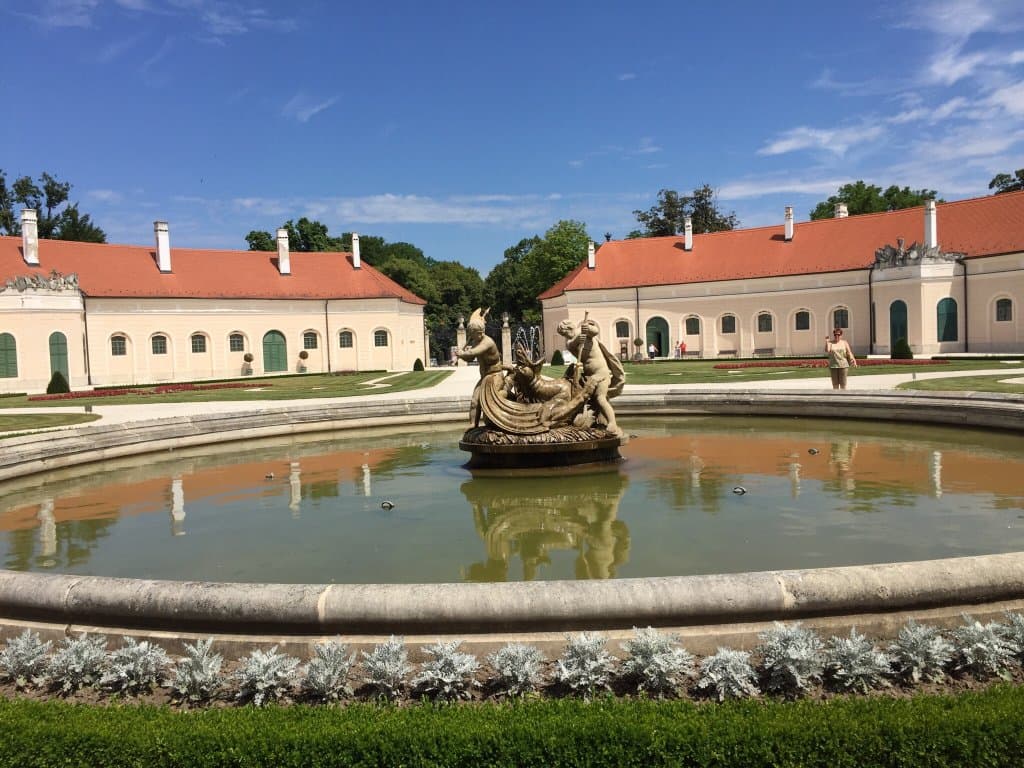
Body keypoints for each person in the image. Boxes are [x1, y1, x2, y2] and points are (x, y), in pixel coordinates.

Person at [557, 317, 625, 436]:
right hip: (588, 376)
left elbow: (595, 331)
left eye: (565, 333)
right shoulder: (570, 342)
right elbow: (572, 345)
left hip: (601, 373)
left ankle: (612, 423)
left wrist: (587, 329)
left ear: (569, 328)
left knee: (600, 398)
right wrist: (578, 339)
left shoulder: (583, 330)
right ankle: (589, 421)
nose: (565, 336)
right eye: (563, 335)